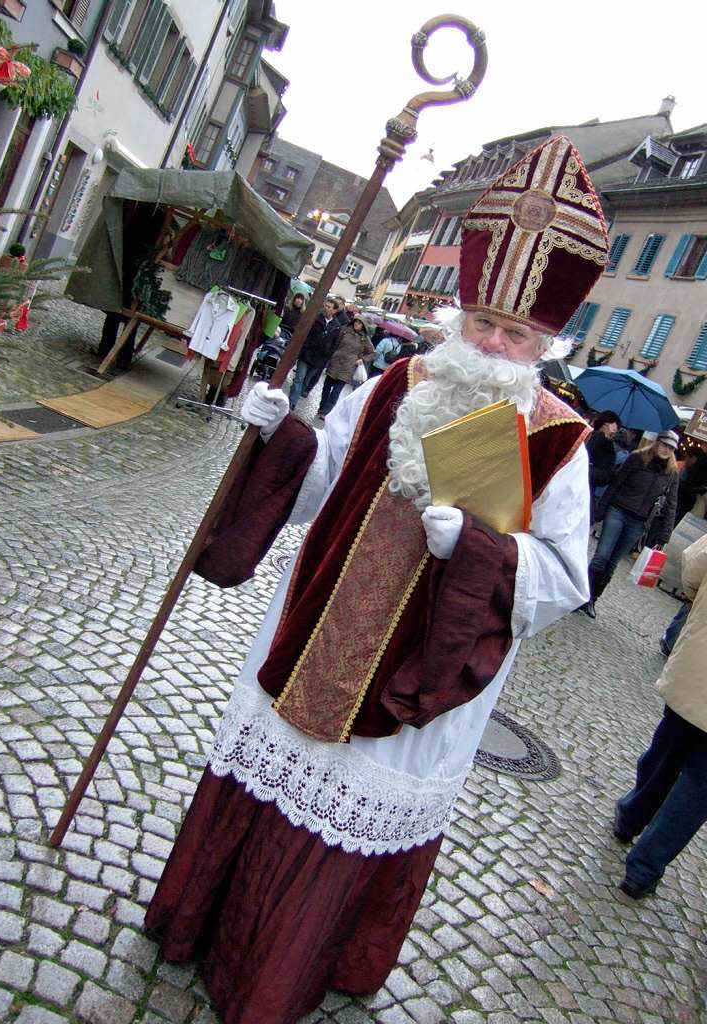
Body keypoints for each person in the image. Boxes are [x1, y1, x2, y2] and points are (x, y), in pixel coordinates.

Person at [144, 136, 609, 1024]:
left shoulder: (562, 440)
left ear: (544, 343)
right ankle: (191, 924)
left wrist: (478, 551)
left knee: (349, 803)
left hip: (414, 680)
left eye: (515, 333)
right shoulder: (401, 377)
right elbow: (326, 468)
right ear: (461, 312)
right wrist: (280, 432)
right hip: (315, 624)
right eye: (483, 321)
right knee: (273, 755)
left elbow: (565, 577)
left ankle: (276, 979)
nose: (491, 342)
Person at [614, 533, 707, 899]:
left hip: (699, 667)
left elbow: (694, 565)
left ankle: (631, 816)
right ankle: (643, 868)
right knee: (699, 785)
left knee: (668, 748)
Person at [581, 431, 679, 618]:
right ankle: (582, 595)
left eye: (671, 448)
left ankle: (593, 598)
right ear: (657, 443)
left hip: (639, 522)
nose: (667, 450)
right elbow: (616, 484)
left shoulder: (672, 473)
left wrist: (664, 535)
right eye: (664, 445)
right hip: (618, 511)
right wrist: (600, 511)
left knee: (612, 563)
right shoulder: (637, 458)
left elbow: (671, 504)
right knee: (602, 556)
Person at [317, 313, 375, 418]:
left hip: (348, 367)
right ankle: (322, 407)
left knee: (336, 391)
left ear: (363, 326)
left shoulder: (364, 339)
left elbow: (372, 353)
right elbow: (335, 343)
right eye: (356, 322)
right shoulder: (344, 331)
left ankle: (325, 412)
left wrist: (362, 359)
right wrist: (332, 354)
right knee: (326, 386)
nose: (357, 325)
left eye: (359, 323)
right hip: (335, 362)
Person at [288, 297, 341, 409]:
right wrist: (305, 347)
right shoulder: (316, 319)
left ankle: (294, 399)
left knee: (306, 382)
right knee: (299, 378)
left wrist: (327, 354)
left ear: (334, 311)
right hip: (307, 354)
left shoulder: (336, 326)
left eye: (329, 307)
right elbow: (305, 333)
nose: (326, 308)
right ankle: (291, 403)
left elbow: (335, 344)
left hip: (319, 359)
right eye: (326, 306)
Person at [585, 411, 622, 521]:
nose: (614, 431)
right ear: (604, 424)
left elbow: (607, 475)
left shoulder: (609, 449)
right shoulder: (587, 435)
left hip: (588, 489)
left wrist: (588, 471)